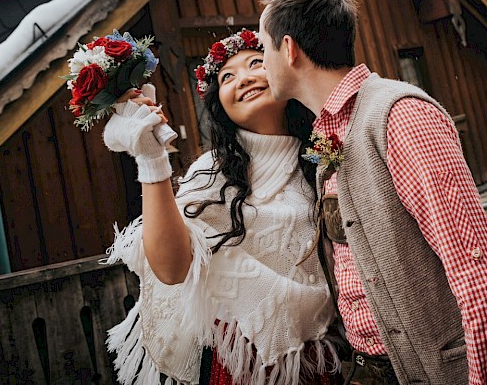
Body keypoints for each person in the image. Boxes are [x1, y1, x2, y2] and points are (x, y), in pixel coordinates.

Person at [258, 0, 487, 385]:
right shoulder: (329, 131)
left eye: (264, 47)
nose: (261, 61)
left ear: (289, 49)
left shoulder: (400, 115)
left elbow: (478, 268)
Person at [103, 29, 342, 385]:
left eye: (256, 64)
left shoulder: (326, 161)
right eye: (227, 77)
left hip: (318, 363)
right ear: (221, 107)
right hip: (232, 365)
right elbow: (172, 269)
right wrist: (151, 159)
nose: (243, 78)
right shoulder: (209, 174)